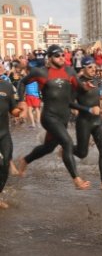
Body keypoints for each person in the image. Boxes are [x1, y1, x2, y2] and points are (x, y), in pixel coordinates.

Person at [13, 45, 92, 190]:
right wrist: (21, 101)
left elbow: (79, 88)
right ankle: (77, 180)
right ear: (49, 58)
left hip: (63, 117)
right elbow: (22, 82)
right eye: (57, 56)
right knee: (67, 142)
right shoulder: (40, 72)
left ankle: (25, 160)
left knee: (48, 148)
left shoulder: (69, 71)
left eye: (62, 55)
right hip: (49, 116)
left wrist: (86, 86)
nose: (61, 58)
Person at [72, 57, 102, 190]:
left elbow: (96, 98)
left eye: (94, 67)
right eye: (89, 67)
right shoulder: (78, 84)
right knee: (82, 153)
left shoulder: (96, 81)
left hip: (97, 120)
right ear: (83, 69)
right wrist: (88, 110)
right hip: (84, 121)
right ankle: (67, 149)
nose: (93, 70)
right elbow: (71, 103)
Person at [0, 76, 23, 209]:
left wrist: (19, 110)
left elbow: (13, 110)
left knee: (5, 165)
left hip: (4, 134)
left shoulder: (7, 86)